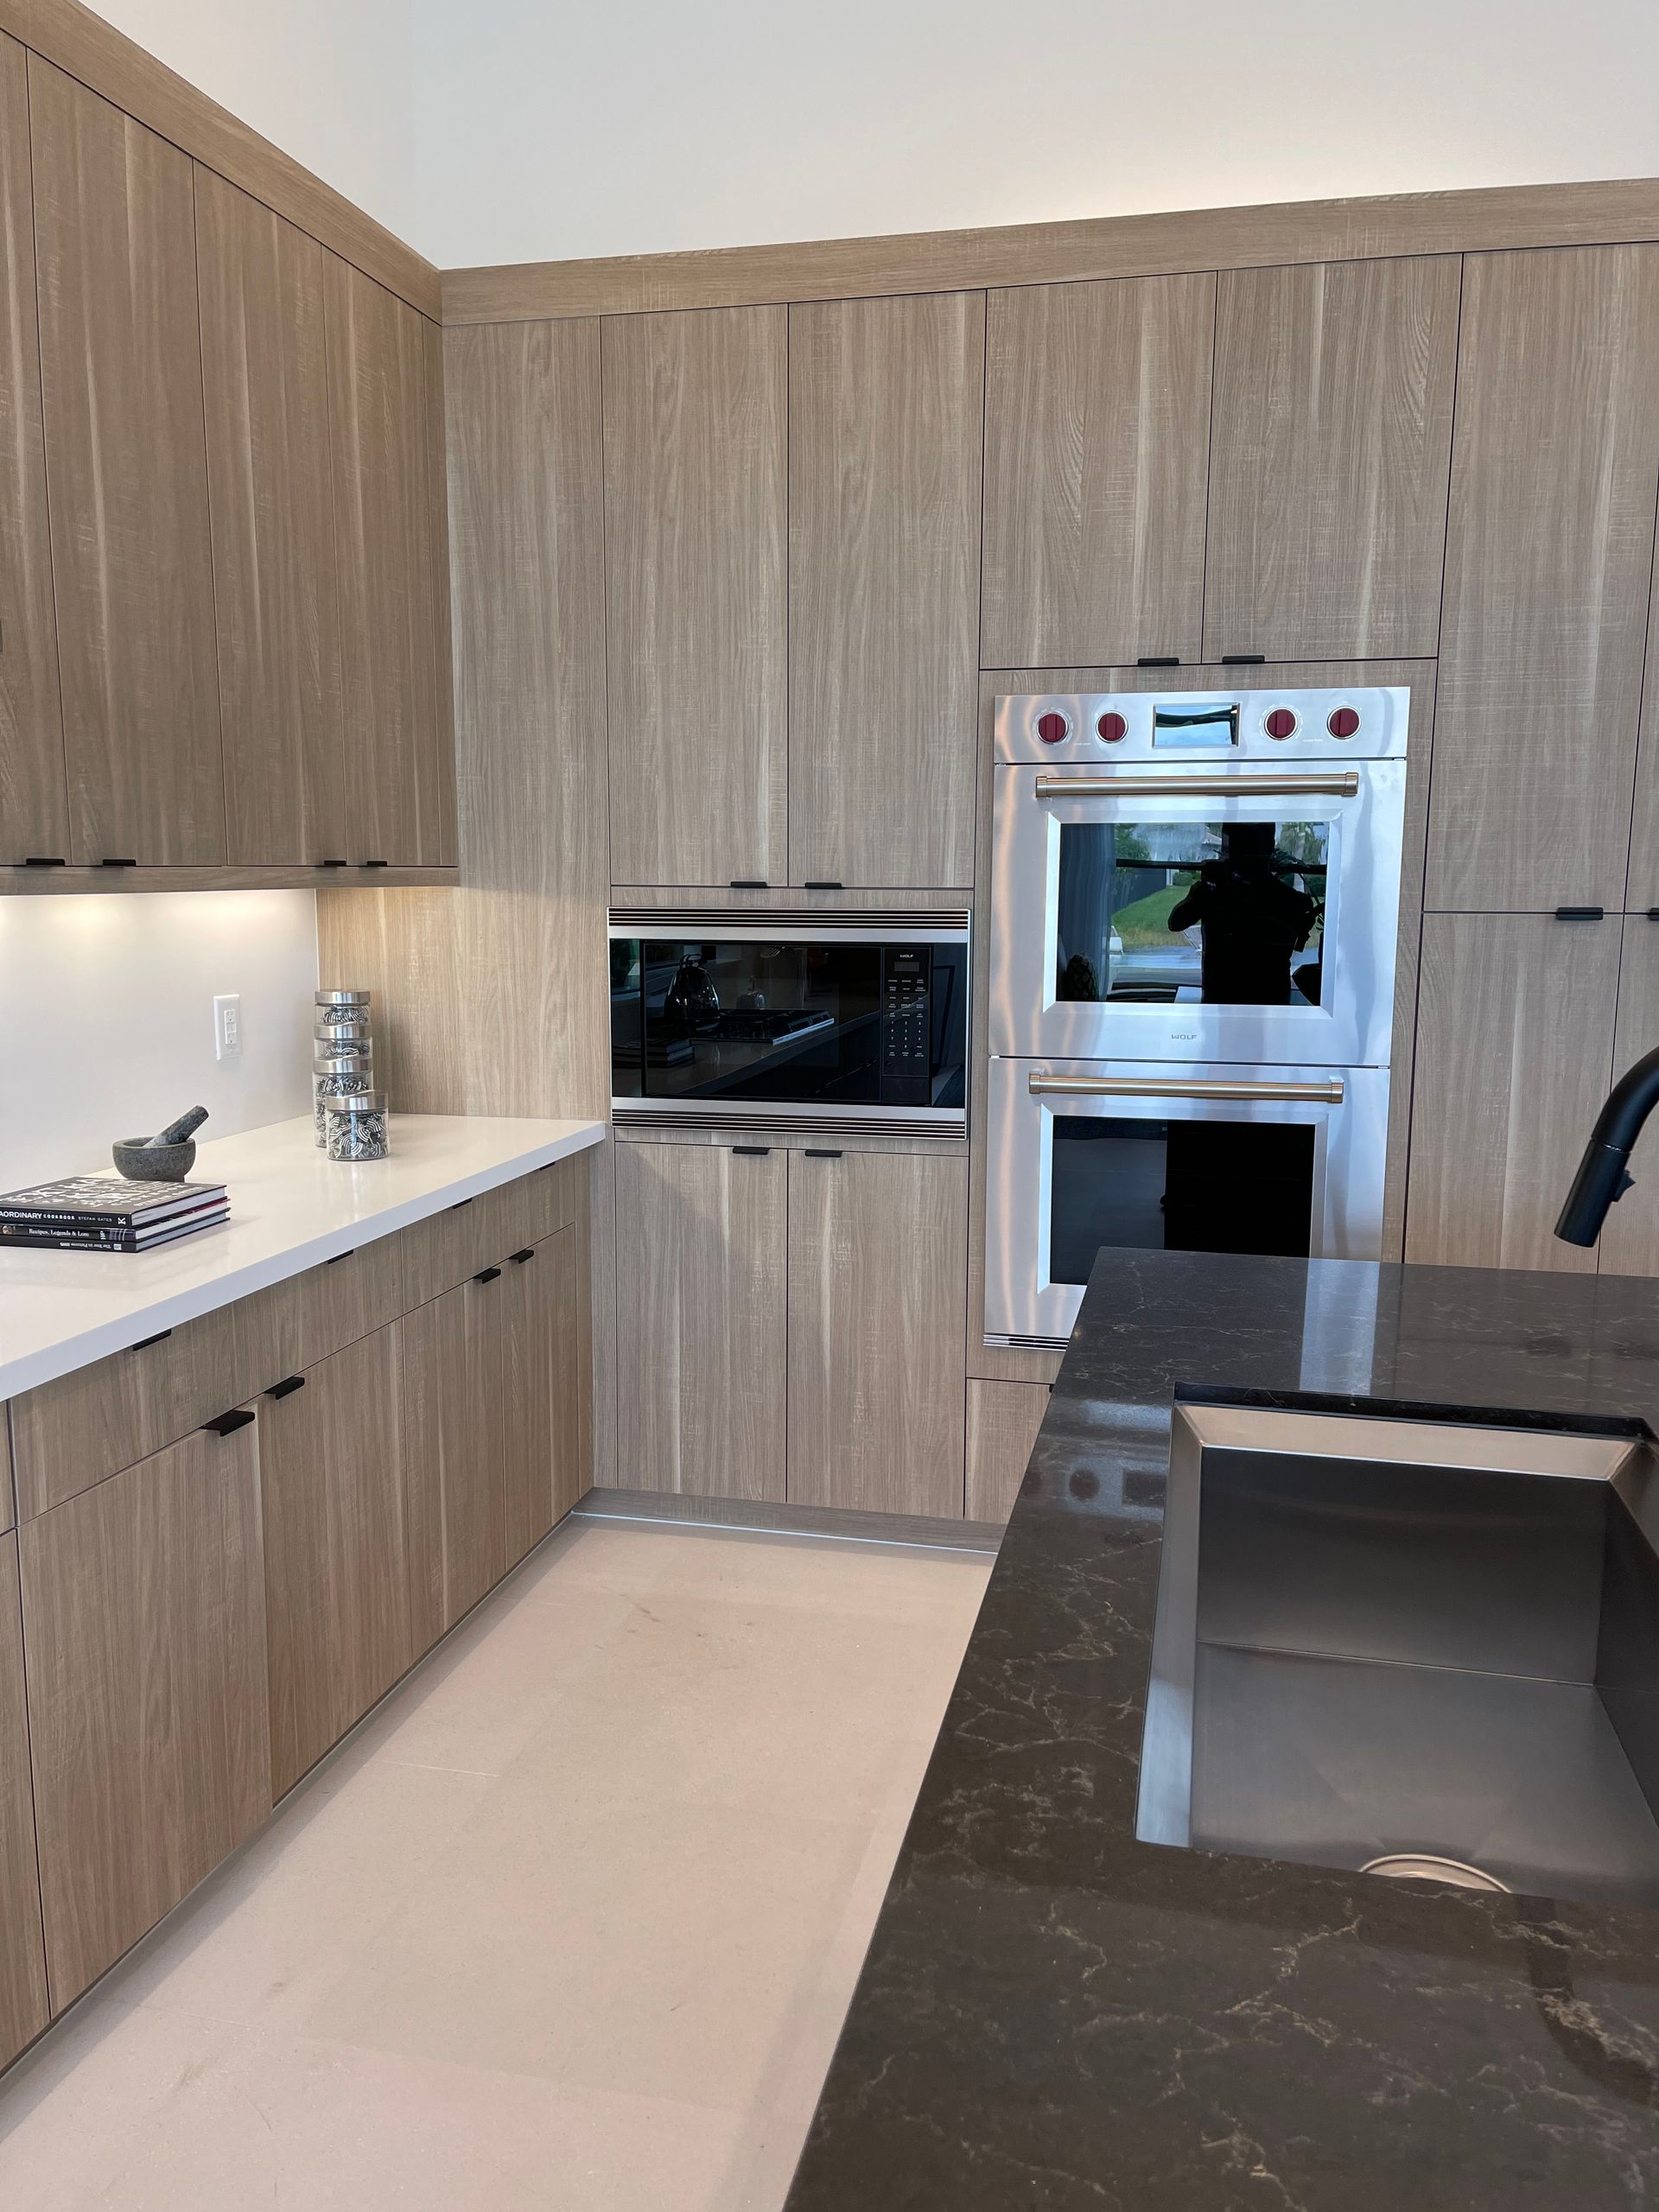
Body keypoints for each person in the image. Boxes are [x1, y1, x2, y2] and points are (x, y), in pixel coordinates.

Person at [1166, 823, 1319, 1005]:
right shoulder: (1213, 893)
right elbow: (1176, 923)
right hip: (1241, 1002)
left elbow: (1282, 934)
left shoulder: (1292, 900)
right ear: (1270, 845)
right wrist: (1201, 892)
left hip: (1251, 1003)